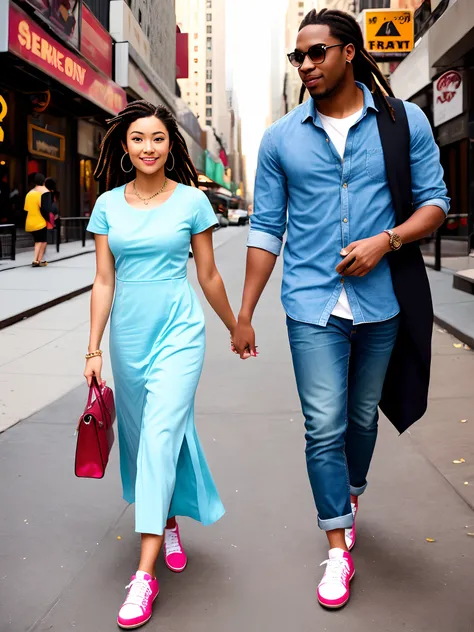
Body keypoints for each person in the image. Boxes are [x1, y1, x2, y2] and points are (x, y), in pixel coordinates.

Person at [232, 8, 449, 610]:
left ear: (349, 52)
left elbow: (435, 201)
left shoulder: (405, 123)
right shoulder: (280, 138)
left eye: (316, 53)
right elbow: (266, 228)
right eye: (297, 58)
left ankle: (350, 492)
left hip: (382, 302)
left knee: (359, 421)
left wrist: (388, 241)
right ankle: (336, 548)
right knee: (322, 424)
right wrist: (245, 312)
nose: (306, 65)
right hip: (310, 302)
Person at [84, 100, 235, 629]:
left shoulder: (193, 201)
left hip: (180, 331)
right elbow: (104, 281)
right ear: (124, 148)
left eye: (158, 139)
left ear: (172, 145)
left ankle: (143, 574)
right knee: (142, 436)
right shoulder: (107, 205)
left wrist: (236, 324)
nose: (148, 148)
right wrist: (93, 347)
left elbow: (209, 275)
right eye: (138, 139)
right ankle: (166, 519)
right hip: (127, 335)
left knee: (161, 431)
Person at [24, 173, 52, 267]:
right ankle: (36, 260)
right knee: (40, 241)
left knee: (41, 240)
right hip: (40, 221)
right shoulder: (45, 192)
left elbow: (26, 209)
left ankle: (40, 260)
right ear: (44, 181)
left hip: (30, 221)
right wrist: (48, 219)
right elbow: (45, 208)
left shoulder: (29, 193)